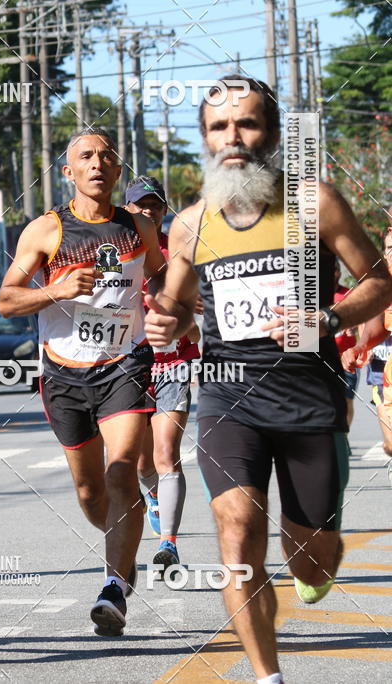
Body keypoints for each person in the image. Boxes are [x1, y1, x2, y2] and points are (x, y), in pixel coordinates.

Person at [143, 76, 392, 684]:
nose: (233, 136)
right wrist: (164, 320)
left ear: (273, 134)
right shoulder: (191, 225)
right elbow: (178, 305)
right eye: (219, 127)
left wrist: (327, 318)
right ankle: (267, 677)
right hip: (229, 398)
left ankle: (315, 559)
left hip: (309, 400)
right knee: (238, 530)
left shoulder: (315, 203)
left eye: (247, 123)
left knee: (312, 562)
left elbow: (380, 282)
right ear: (205, 140)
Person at [0, 128, 167, 636]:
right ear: (69, 172)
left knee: (121, 470)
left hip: (125, 363)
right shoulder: (45, 231)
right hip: (64, 373)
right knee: (91, 492)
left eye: (106, 156)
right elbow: (7, 300)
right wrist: (58, 290)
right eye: (86, 157)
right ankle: (125, 546)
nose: (97, 163)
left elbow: (161, 277)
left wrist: (173, 308)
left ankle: (113, 587)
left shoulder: (139, 226)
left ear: (117, 170)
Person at [125, 175, 200, 572]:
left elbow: (199, 314)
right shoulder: (116, 255)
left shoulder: (180, 257)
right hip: (129, 365)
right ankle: (153, 495)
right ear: (128, 210)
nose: (148, 211)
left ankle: (168, 543)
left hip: (173, 363)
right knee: (142, 464)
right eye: (141, 205)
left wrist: (186, 317)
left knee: (166, 453)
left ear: (164, 210)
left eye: (155, 205)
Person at [342, 228, 392, 462]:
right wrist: (361, 346)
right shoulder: (383, 282)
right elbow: (377, 321)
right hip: (385, 368)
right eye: (390, 248)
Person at [332, 259, 359, 430]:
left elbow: (363, 320)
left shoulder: (349, 295)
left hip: (347, 359)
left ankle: (344, 435)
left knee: (347, 400)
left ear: (339, 273)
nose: (331, 273)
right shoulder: (314, 297)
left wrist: (355, 327)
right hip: (323, 358)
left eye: (334, 269)